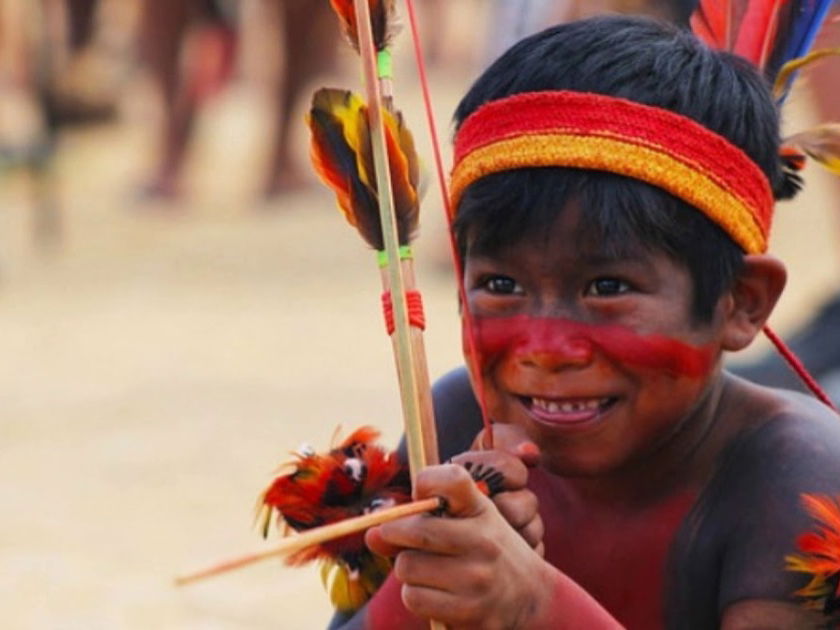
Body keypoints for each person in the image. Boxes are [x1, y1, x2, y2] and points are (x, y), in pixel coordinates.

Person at [329, 15, 840, 629]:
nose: (544, 350)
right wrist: (434, 563)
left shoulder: (797, 479)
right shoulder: (458, 422)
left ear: (740, 301)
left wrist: (535, 606)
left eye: (606, 288)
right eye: (500, 285)